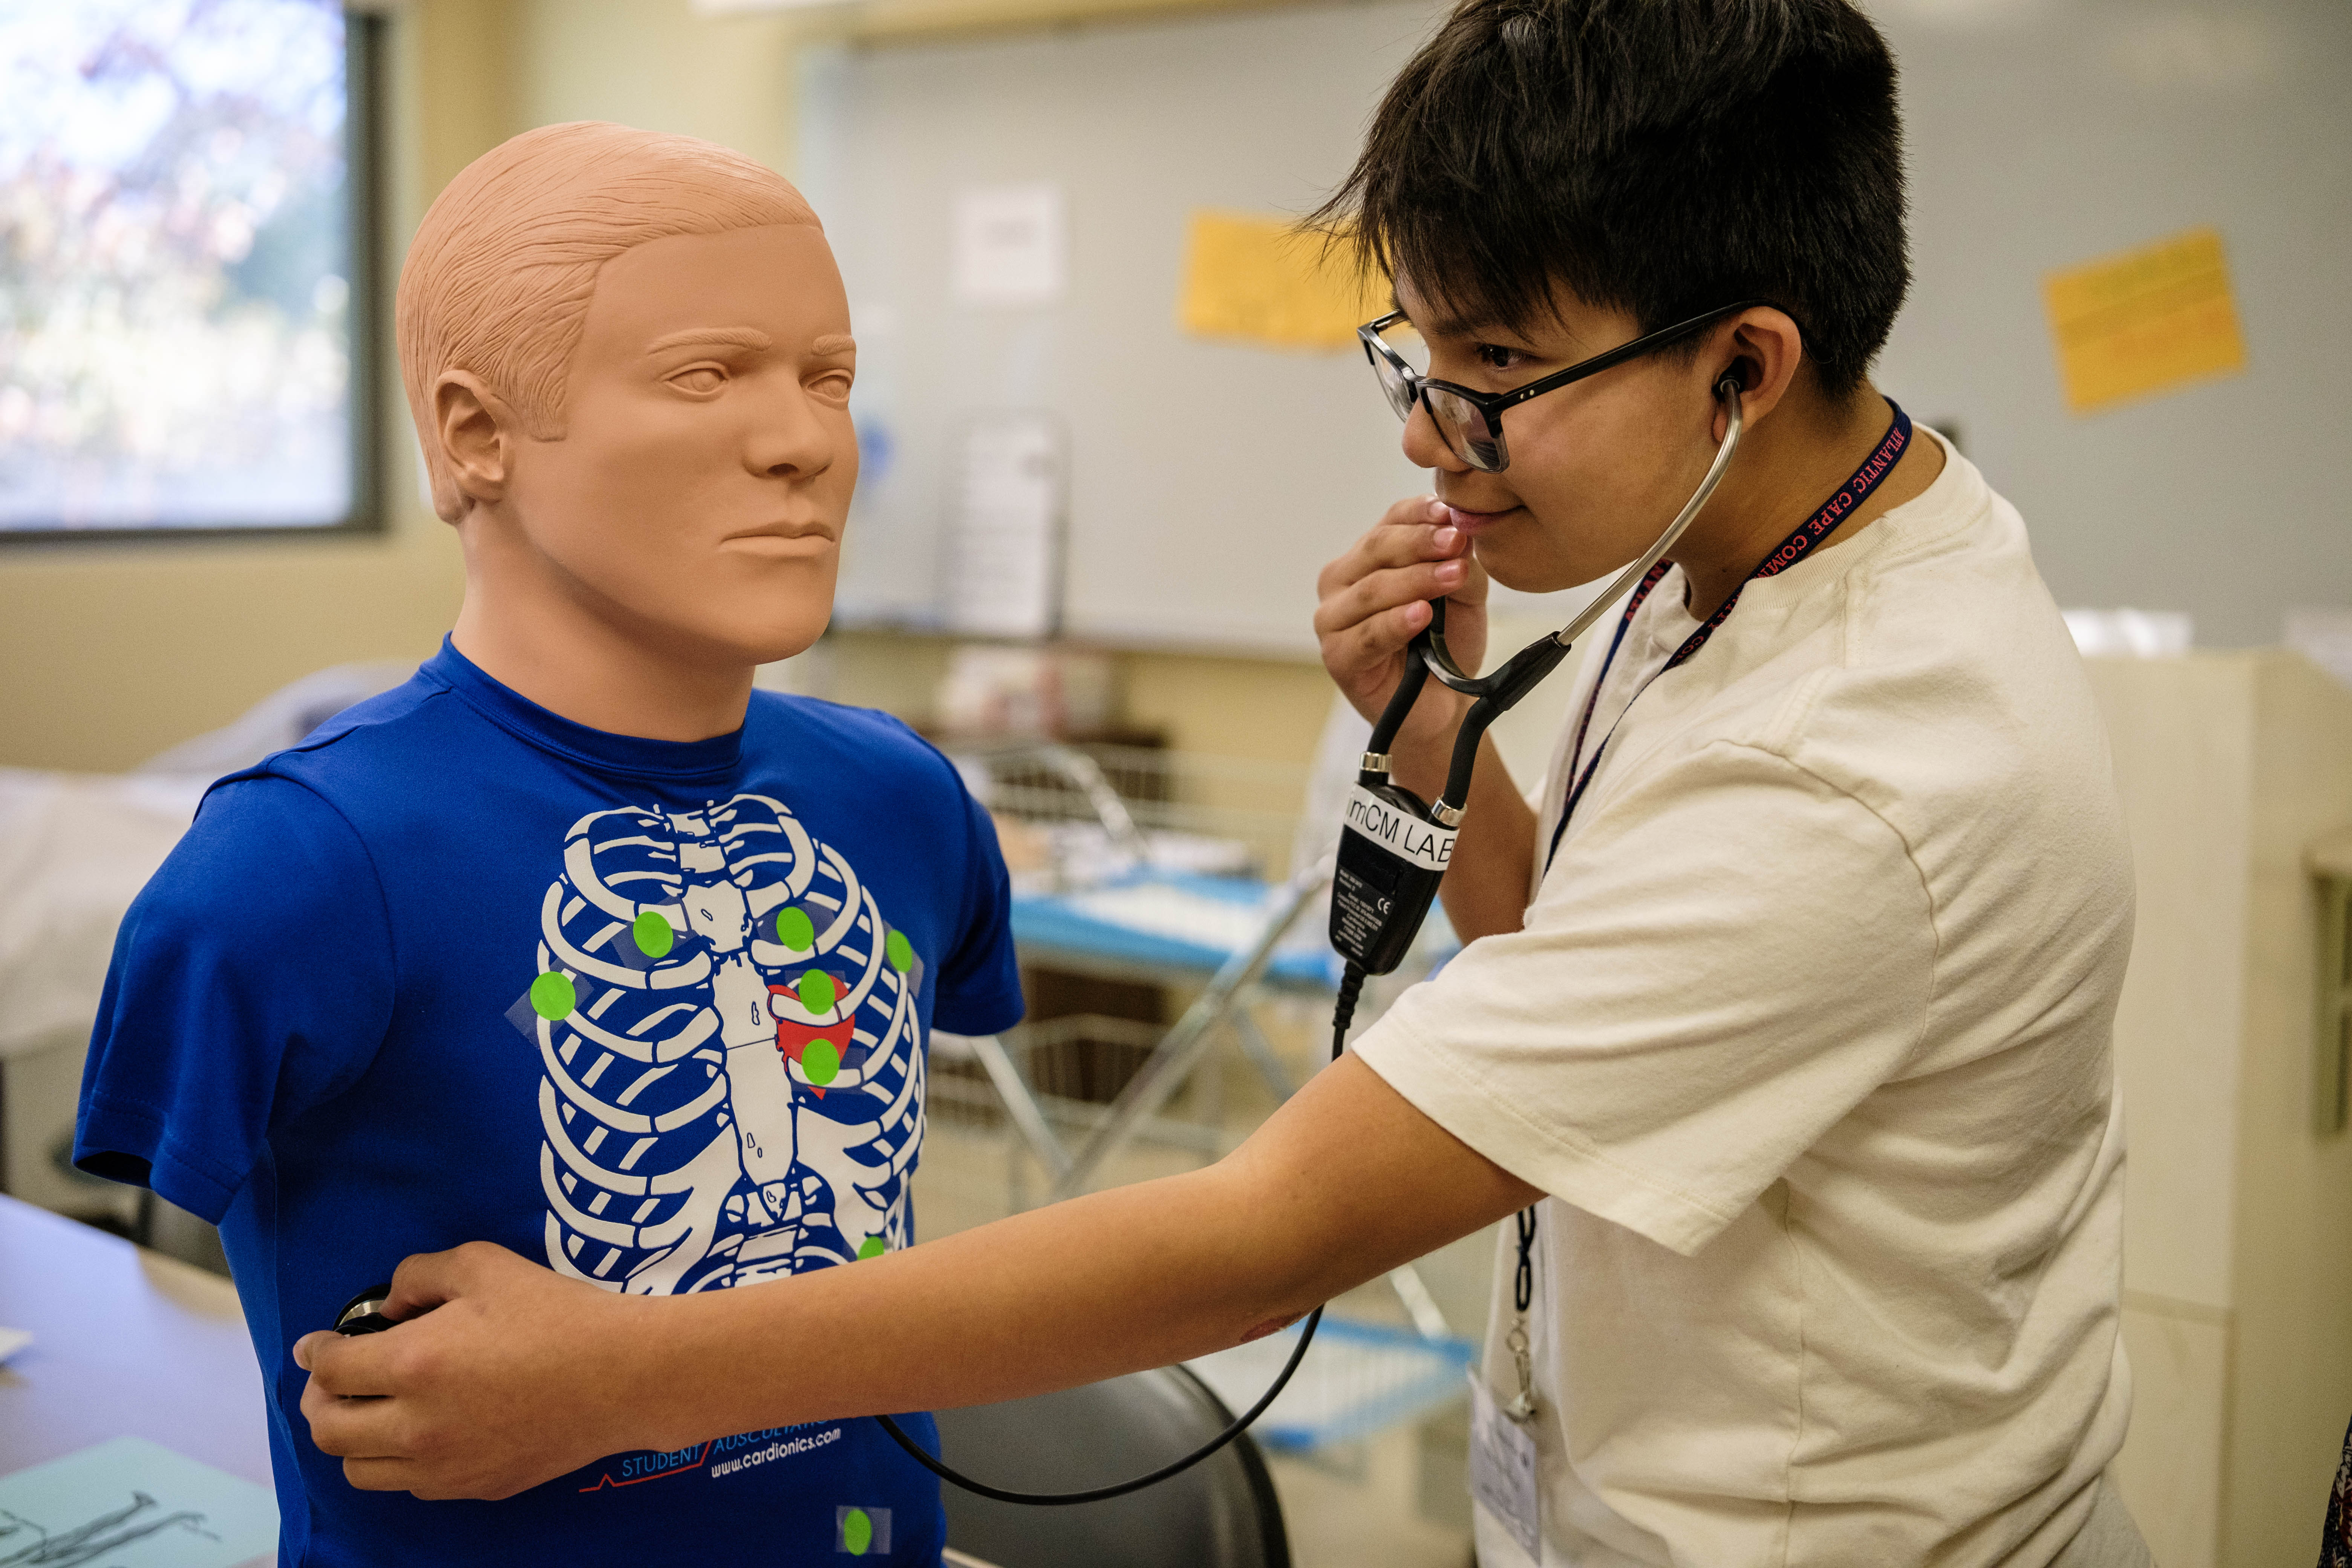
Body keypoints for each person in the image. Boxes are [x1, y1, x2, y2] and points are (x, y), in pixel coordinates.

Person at [290, 2, 2157, 1562]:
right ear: (469, 434)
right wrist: (1439, 730)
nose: (1435, 434)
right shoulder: (1749, 546)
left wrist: (616, 1370)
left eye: (1497, 368)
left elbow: (1267, 1230)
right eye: (1418, 356)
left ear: (1746, 366)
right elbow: (1566, 940)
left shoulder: (1856, 767)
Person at [74, 121, 1022, 1567]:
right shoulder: (293, 870)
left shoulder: (906, 802)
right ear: (476, 434)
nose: (806, 441)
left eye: (827, 377)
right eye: (708, 375)